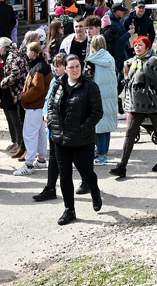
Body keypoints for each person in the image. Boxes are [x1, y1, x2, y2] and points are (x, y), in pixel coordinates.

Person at [45, 54, 103, 225]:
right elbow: (51, 106)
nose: (75, 70)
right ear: (65, 68)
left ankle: (94, 191)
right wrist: (52, 125)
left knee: (87, 173)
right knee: (65, 176)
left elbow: (97, 113)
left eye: (78, 66)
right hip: (61, 140)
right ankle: (69, 210)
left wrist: (81, 130)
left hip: (82, 140)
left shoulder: (90, 86)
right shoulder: (58, 85)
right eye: (71, 67)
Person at [109, 36, 157, 178]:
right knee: (130, 134)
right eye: (135, 45)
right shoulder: (136, 61)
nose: (137, 47)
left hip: (153, 104)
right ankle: (122, 165)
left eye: (140, 45)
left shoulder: (154, 62)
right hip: (136, 105)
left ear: (148, 47)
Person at [33, 53, 68, 202]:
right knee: (53, 157)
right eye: (54, 65)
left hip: (67, 129)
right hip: (53, 128)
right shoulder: (54, 81)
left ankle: (89, 184)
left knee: (73, 159)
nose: (56, 68)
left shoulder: (71, 83)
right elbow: (47, 101)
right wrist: (45, 114)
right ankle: (50, 188)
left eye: (59, 65)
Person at [13, 42, 51, 175]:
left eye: (28, 51)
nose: (26, 53)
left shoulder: (38, 68)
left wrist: (23, 97)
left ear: (33, 53)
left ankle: (29, 164)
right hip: (40, 106)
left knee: (29, 134)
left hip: (35, 106)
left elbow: (38, 89)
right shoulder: (42, 66)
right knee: (40, 134)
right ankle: (41, 160)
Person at [86, 35, 118, 166]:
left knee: (98, 126)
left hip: (98, 95)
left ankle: (99, 155)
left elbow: (88, 77)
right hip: (110, 94)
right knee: (107, 126)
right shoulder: (110, 58)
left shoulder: (92, 60)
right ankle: (104, 152)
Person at [0, 37, 26, 156]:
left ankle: (21, 145)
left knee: (18, 121)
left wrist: (4, 82)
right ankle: (17, 143)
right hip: (15, 93)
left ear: (3, 48)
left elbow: (16, 73)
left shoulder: (12, 56)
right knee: (14, 120)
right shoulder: (12, 55)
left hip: (19, 93)